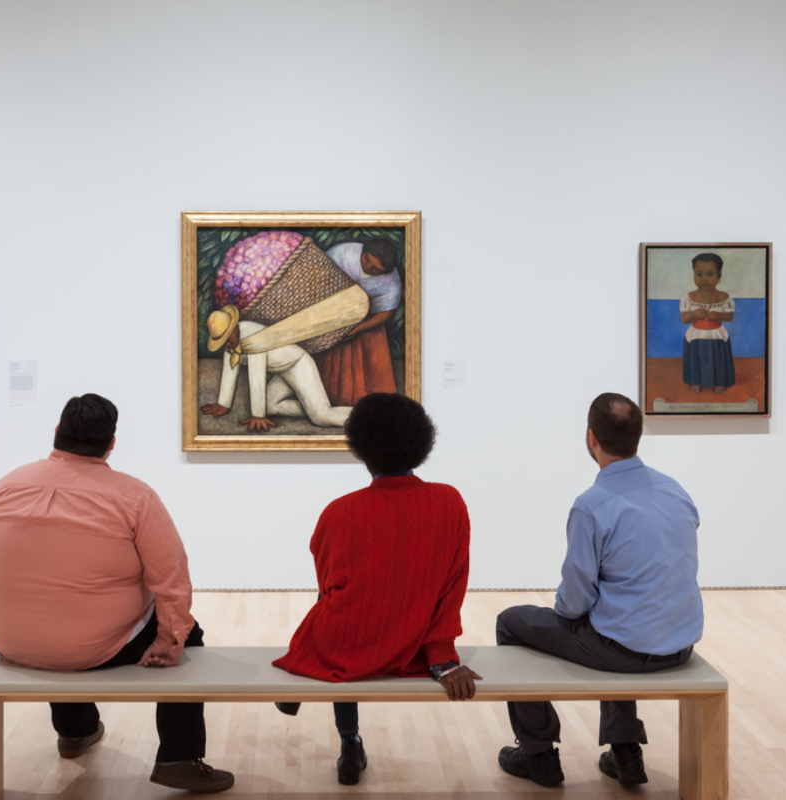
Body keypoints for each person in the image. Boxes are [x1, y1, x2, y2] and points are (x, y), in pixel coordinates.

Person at [0, 394, 234, 793]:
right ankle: (179, 758)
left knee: (61, 605)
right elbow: (172, 579)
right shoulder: (134, 497)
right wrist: (170, 640)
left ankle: (75, 731)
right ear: (111, 443)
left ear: (57, 433)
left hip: (12, 640)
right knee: (188, 632)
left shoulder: (5, 486)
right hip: (92, 645)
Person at [495, 392, 703, 788]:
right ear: (639, 436)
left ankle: (538, 754)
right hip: (681, 643)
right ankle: (626, 752)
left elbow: (574, 601)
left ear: (591, 438)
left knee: (512, 623)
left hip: (627, 650)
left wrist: (572, 610)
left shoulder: (592, 505)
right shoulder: (676, 489)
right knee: (614, 616)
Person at [272, 393, 477, 786]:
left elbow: (328, 584)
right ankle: (308, 694)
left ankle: (349, 741)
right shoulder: (450, 502)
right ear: (422, 444)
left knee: (330, 619)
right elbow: (453, 587)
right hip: (412, 642)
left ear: (361, 449)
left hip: (345, 643)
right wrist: (443, 658)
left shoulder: (340, 511)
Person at [201, 304, 351, 432]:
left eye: (227, 338)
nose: (226, 344)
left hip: (298, 365)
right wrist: (224, 404)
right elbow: (230, 368)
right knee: (271, 406)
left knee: (321, 417)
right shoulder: (232, 343)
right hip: (282, 371)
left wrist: (258, 415)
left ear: (234, 327)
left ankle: (362, 416)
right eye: (222, 341)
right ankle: (310, 407)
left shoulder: (253, 337)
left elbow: (257, 375)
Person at [317, 238, 401, 406]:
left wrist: (360, 328)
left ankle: (377, 402)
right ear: (363, 252)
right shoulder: (341, 254)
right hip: (333, 312)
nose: (369, 268)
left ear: (384, 272)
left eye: (376, 269)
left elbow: (386, 311)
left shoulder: (391, 284)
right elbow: (318, 279)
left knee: (373, 353)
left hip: (368, 320)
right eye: (367, 261)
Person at [680, 253, 736, 394]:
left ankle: (719, 382)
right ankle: (696, 382)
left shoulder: (724, 297)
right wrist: (693, 314)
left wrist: (718, 315)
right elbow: (684, 319)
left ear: (719, 275)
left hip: (716, 334)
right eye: (699, 274)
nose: (704, 279)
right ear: (694, 274)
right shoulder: (688, 298)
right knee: (695, 360)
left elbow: (729, 317)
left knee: (718, 361)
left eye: (710, 274)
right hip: (696, 335)